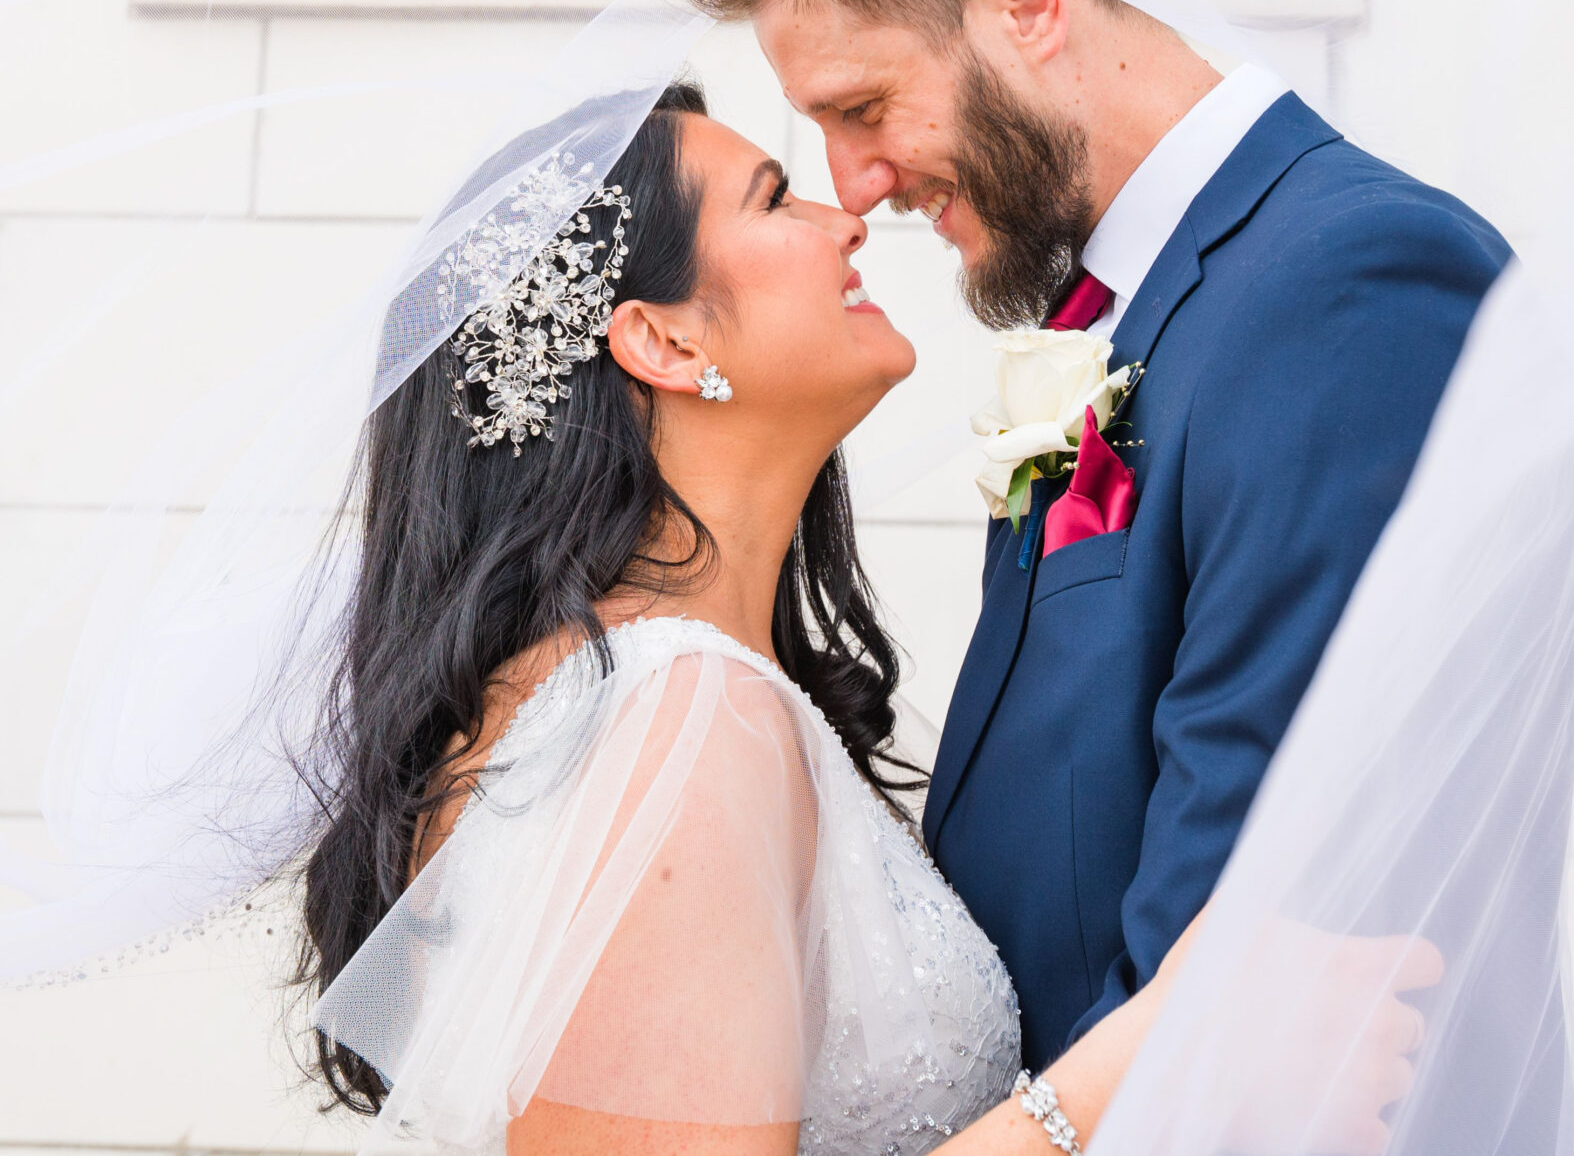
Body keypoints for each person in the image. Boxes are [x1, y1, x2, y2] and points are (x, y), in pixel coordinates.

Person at [295, 82, 1435, 1154]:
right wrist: (1131, 1073)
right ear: (667, 341)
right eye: (774, 197)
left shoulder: (645, 699)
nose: (845, 218)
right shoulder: (671, 720)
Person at [660, 0, 1509, 1071]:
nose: (853, 187)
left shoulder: (1344, 284)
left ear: (1026, 5)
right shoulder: (1121, 313)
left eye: (864, 107)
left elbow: (1253, 949)